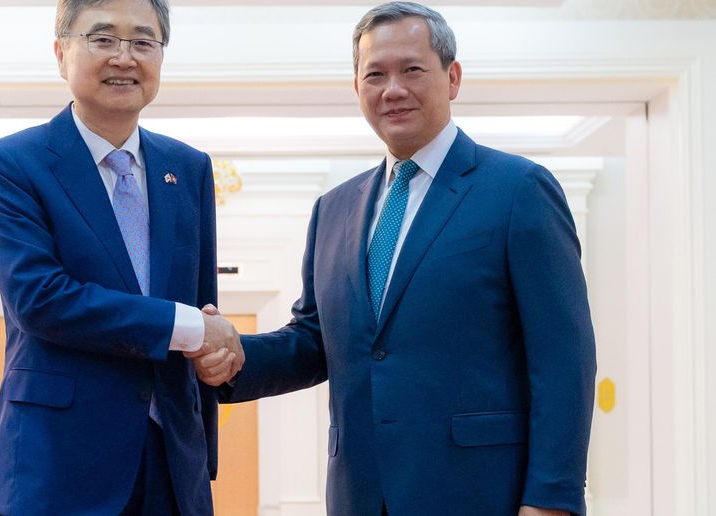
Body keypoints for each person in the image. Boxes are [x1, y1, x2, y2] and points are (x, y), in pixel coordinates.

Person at [189, 2, 596, 515]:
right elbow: (316, 341)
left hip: (481, 493)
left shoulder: (519, 189)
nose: (393, 89)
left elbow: (564, 359)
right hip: (360, 493)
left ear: (452, 77)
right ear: (357, 88)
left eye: (412, 70)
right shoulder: (334, 209)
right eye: (375, 75)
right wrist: (234, 357)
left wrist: (552, 499)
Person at [0, 0, 243, 514]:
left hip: (171, 459)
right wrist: (190, 327)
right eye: (102, 39)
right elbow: (39, 299)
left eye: (143, 41)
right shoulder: (13, 163)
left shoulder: (188, 167)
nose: (124, 57)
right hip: (59, 462)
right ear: (61, 53)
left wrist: (202, 443)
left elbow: (202, 302)